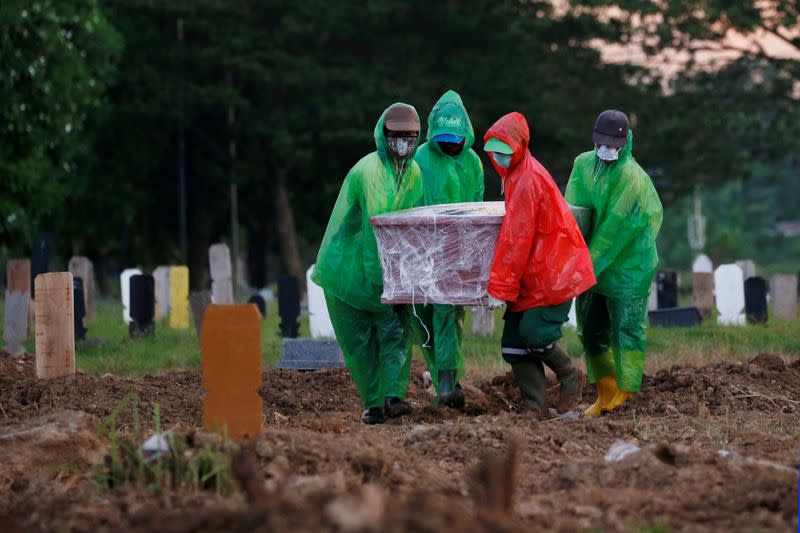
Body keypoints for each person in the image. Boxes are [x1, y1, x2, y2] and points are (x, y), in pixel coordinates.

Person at [312, 103, 424, 425]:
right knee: (359, 341)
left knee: (397, 332)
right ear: (384, 135)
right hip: (347, 268)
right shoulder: (371, 171)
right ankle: (373, 405)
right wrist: (384, 281)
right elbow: (375, 232)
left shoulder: (411, 172)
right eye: (397, 137)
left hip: (383, 270)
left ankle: (393, 397)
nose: (404, 143)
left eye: (411, 137)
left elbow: (411, 223)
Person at [483, 112, 595, 417]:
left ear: (519, 149)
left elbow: (515, 239)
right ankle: (536, 407)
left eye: (505, 151)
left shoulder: (527, 179)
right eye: (494, 152)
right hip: (534, 275)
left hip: (553, 274)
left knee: (535, 334)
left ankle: (570, 376)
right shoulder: (516, 175)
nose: (499, 157)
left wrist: (499, 287)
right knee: (513, 345)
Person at [565, 109, 663, 416]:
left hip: (628, 266)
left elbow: (613, 234)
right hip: (591, 261)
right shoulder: (583, 164)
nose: (607, 148)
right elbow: (574, 213)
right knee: (590, 328)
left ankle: (626, 390)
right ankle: (605, 391)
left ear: (625, 141)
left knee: (626, 330)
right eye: (602, 141)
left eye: (613, 142)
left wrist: (582, 268)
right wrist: (570, 255)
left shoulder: (632, 179)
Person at [411, 89, 484, 408]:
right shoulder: (420, 159)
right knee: (430, 316)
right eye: (445, 139)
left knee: (451, 315)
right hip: (424, 251)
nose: (451, 144)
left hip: (461, 251)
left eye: (456, 138)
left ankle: (447, 380)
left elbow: (479, 207)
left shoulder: (473, 163)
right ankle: (444, 379)